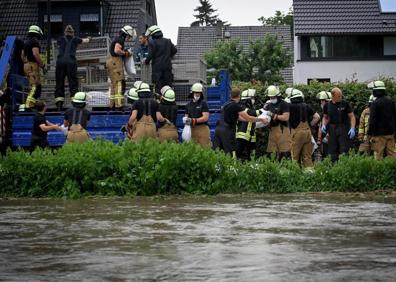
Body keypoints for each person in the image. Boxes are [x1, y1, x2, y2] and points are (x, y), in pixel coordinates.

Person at [214, 88, 267, 157]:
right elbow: (248, 117)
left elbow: (240, 118)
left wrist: (249, 120)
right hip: (227, 130)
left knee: (219, 150)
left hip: (218, 129)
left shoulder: (226, 104)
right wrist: (261, 119)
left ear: (231, 95)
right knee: (231, 151)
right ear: (239, 96)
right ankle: (231, 166)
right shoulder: (236, 105)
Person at [55, 25, 91, 111]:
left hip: (60, 63)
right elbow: (85, 41)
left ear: (65, 32)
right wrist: (89, 38)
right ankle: (74, 104)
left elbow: (58, 43)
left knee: (59, 83)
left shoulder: (61, 39)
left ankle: (59, 104)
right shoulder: (75, 39)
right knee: (73, 83)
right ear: (73, 33)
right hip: (71, 62)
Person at [321, 87, 356, 162]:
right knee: (332, 150)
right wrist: (323, 125)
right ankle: (334, 167)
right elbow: (325, 117)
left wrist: (352, 128)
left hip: (343, 128)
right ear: (333, 96)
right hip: (332, 129)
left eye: (341, 95)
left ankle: (344, 165)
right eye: (339, 96)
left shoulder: (345, 104)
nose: (340, 97)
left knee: (344, 150)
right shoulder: (327, 105)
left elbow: (352, 116)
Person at [106, 25, 136, 110]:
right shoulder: (120, 39)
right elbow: (117, 50)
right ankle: (119, 105)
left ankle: (112, 105)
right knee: (119, 83)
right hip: (115, 63)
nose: (129, 38)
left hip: (112, 62)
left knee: (114, 84)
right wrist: (126, 53)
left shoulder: (117, 38)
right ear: (126, 34)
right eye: (129, 36)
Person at [288, 89, 320, 168]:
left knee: (294, 157)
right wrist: (310, 125)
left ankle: (296, 176)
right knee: (307, 157)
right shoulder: (307, 106)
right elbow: (317, 117)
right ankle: (309, 176)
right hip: (307, 132)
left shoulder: (289, 106)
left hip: (296, 134)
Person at [367, 81, 396, 160]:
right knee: (392, 155)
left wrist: (369, 134)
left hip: (379, 135)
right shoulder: (391, 101)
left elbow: (372, 120)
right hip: (391, 133)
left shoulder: (375, 103)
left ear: (376, 91)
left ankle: (379, 172)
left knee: (378, 155)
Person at [144, 25, 177, 94]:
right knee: (168, 86)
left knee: (158, 87)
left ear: (153, 33)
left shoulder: (152, 43)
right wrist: (168, 56)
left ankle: (159, 102)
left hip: (157, 69)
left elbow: (150, 55)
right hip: (167, 67)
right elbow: (174, 50)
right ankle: (169, 99)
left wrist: (146, 61)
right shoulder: (168, 41)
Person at [263, 85, 291, 160]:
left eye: (273, 97)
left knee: (284, 152)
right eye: (270, 97)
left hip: (282, 130)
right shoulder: (269, 105)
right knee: (271, 153)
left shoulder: (284, 104)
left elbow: (286, 117)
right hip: (272, 130)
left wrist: (273, 115)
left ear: (277, 96)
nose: (271, 99)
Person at [21, 25, 46, 110]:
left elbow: (22, 56)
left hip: (27, 65)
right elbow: (36, 54)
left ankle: (32, 104)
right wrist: (42, 65)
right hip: (32, 66)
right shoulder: (34, 42)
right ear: (37, 33)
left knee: (36, 86)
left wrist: (26, 63)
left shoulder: (26, 42)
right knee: (35, 87)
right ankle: (28, 106)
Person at [236, 89, 261, 160]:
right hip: (242, 135)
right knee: (239, 154)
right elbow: (251, 113)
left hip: (250, 135)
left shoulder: (249, 107)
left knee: (251, 155)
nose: (253, 100)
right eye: (252, 98)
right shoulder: (241, 106)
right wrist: (264, 110)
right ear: (247, 99)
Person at [184, 83, 211, 148]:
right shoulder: (188, 105)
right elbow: (186, 117)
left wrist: (194, 120)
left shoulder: (203, 103)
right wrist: (185, 120)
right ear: (192, 93)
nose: (197, 94)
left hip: (203, 129)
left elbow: (205, 117)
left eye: (199, 93)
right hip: (192, 129)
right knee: (193, 150)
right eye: (196, 93)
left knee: (205, 149)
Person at [316, 91, 332, 159]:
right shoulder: (322, 113)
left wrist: (328, 135)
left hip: (330, 137)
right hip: (323, 138)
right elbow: (320, 126)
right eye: (321, 101)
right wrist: (319, 139)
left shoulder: (331, 112)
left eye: (323, 100)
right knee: (324, 155)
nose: (321, 102)